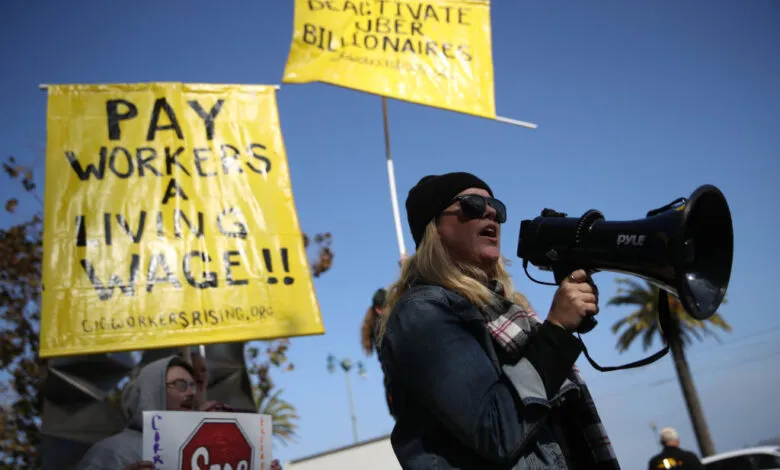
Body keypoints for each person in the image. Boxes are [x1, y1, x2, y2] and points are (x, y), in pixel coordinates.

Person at [377, 172, 620, 469]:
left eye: (495, 206)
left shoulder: (504, 310)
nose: (490, 211)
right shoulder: (420, 313)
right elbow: (495, 430)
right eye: (473, 205)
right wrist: (555, 333)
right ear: (435, 227)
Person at [76, 355, 282, 470]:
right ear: (151, 392)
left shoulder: (212, 453)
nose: (192, 393)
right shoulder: (113, 452)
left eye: (193, 385)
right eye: (180, 385)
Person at [361, 287, 388, 357]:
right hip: (381, 346)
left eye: (381, 308)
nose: (378, 311)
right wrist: (368, 346)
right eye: (377, 308)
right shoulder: (371, 313)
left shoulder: (392, 310)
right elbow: (365, 329)